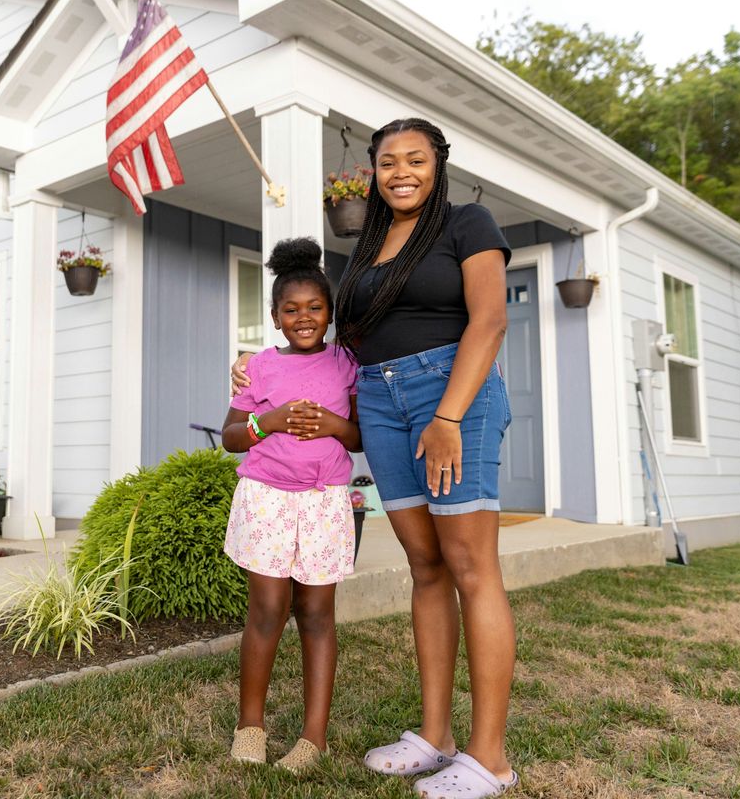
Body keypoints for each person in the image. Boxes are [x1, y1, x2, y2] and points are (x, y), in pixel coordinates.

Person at [232, 118, 518, 798]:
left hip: (451, 393)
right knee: (425, 566)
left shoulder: (467, 224)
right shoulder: (364, 248)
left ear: (438, 164)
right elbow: (336, 340)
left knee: (471, 566)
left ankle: (489, 757)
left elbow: (490, 319)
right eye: (388, 161)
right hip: (381, 402)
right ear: (372, 172)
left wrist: (447, 415)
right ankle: (435, 735)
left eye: (415, 159)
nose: (401, 172)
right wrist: (256, 364)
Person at [221, 237, 362, 775]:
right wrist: (270, 420)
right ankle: (250, 726)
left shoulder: (346, 363)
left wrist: (332, 425)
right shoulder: (257, 367)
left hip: (325, 501)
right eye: (291, 310)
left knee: (318, 615)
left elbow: (358, 437)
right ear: (276, 317)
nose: (304, 318)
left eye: (315, 308)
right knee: (267, 610)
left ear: (329, 313)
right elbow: (231, 436)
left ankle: (312, 739)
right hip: (266, 499)